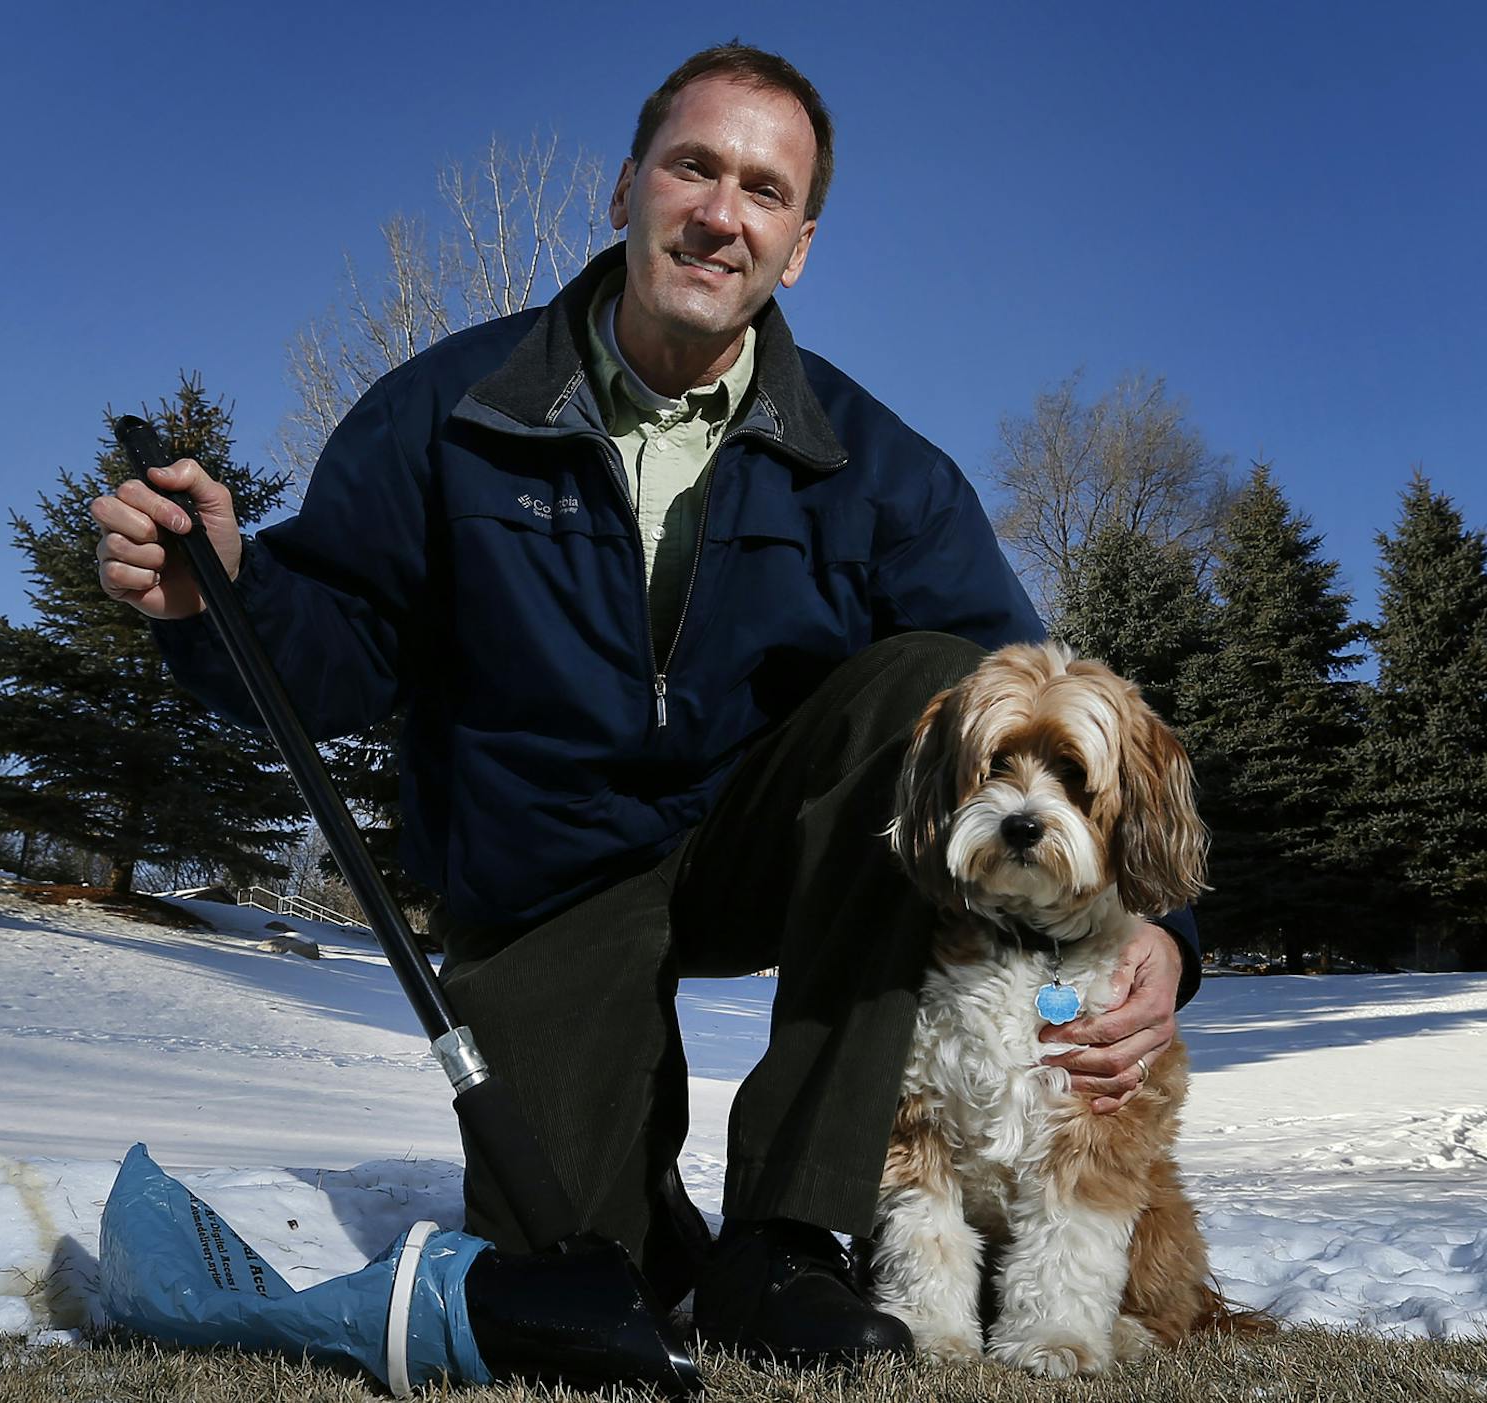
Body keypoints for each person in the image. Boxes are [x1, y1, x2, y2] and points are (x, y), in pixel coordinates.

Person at [90, 44, 1199, 1367]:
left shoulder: (875, 464)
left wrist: (1167, 930)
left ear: (799, 247)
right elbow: (333, 650)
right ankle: (657, 1228)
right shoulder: (450, 414)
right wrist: (217, 600)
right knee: (576, 1257)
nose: (722, 212)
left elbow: (1052, 708)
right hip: (546, 878)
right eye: (694, 166)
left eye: (765, 191)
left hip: (760, 852)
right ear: (625, 190)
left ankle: (791, 1244)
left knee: (935, 686)